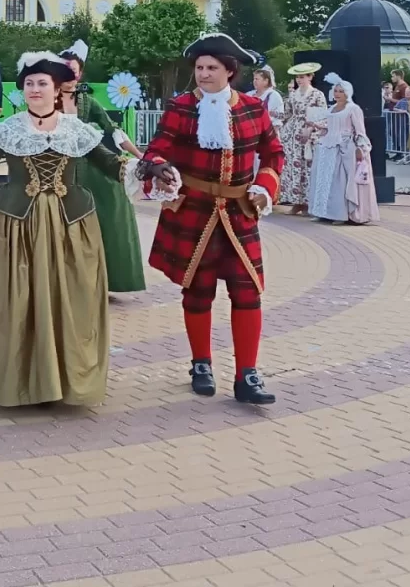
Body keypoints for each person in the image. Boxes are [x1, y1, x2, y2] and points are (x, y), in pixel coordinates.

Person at [0, 51, 133, 408]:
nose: (35, 89)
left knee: (69, 299)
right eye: (29, 83)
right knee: (18, 300)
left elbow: (110, 163)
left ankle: (63, 379)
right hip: (17, 227)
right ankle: (22, 379)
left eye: (42, 83)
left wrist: (143, 170)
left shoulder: (76, 130)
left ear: (57, 90)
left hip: (69, 226)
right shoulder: (10, 129)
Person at [135, 32, 284, 405]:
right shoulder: (181, 107)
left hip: (239, 213)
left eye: (211, 68)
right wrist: (159, 167)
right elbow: (155, 151)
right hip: (194, 212)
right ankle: (201, 364)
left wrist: (265, 186)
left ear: (229, 71)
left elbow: (274, 153)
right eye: (199, 67)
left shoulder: (253, 108)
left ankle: (247, 375)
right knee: (198, 291)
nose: (203, 74)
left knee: (247, 291)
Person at [58, 39, 147, 295]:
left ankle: (97, 280)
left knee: (103, 217)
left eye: (73, 70)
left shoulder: (87, 103)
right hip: (56, 170)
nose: (68, 75)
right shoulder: (47, 100)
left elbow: (113, 130)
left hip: (88, 169)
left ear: (80, 74)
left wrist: (140, 155)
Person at [308, 76, 380, 225]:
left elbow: (360, 131)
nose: (337, 94)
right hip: (328, 147)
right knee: (324, 179)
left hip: (344, 147)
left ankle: (341, 214)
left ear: (348, 92)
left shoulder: (353, 109)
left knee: (340, 181)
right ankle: (324, 212)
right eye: (336, 91)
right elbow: (329, 127)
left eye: (341, 91)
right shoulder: (331, 109)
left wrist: (361, 148)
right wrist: (317, 128)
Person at [279, 63, 327, 214]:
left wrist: (310, 129)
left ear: (310, 77)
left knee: (307, 167)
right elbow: (287, 114)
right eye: (297, 77)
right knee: (293, 167)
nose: (299, 80)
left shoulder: (317, 94)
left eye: (302, 77)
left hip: (309, 132)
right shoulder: (293, 94)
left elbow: (322, 116)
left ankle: (307, 202)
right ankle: (296, 201)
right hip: (293, 133)